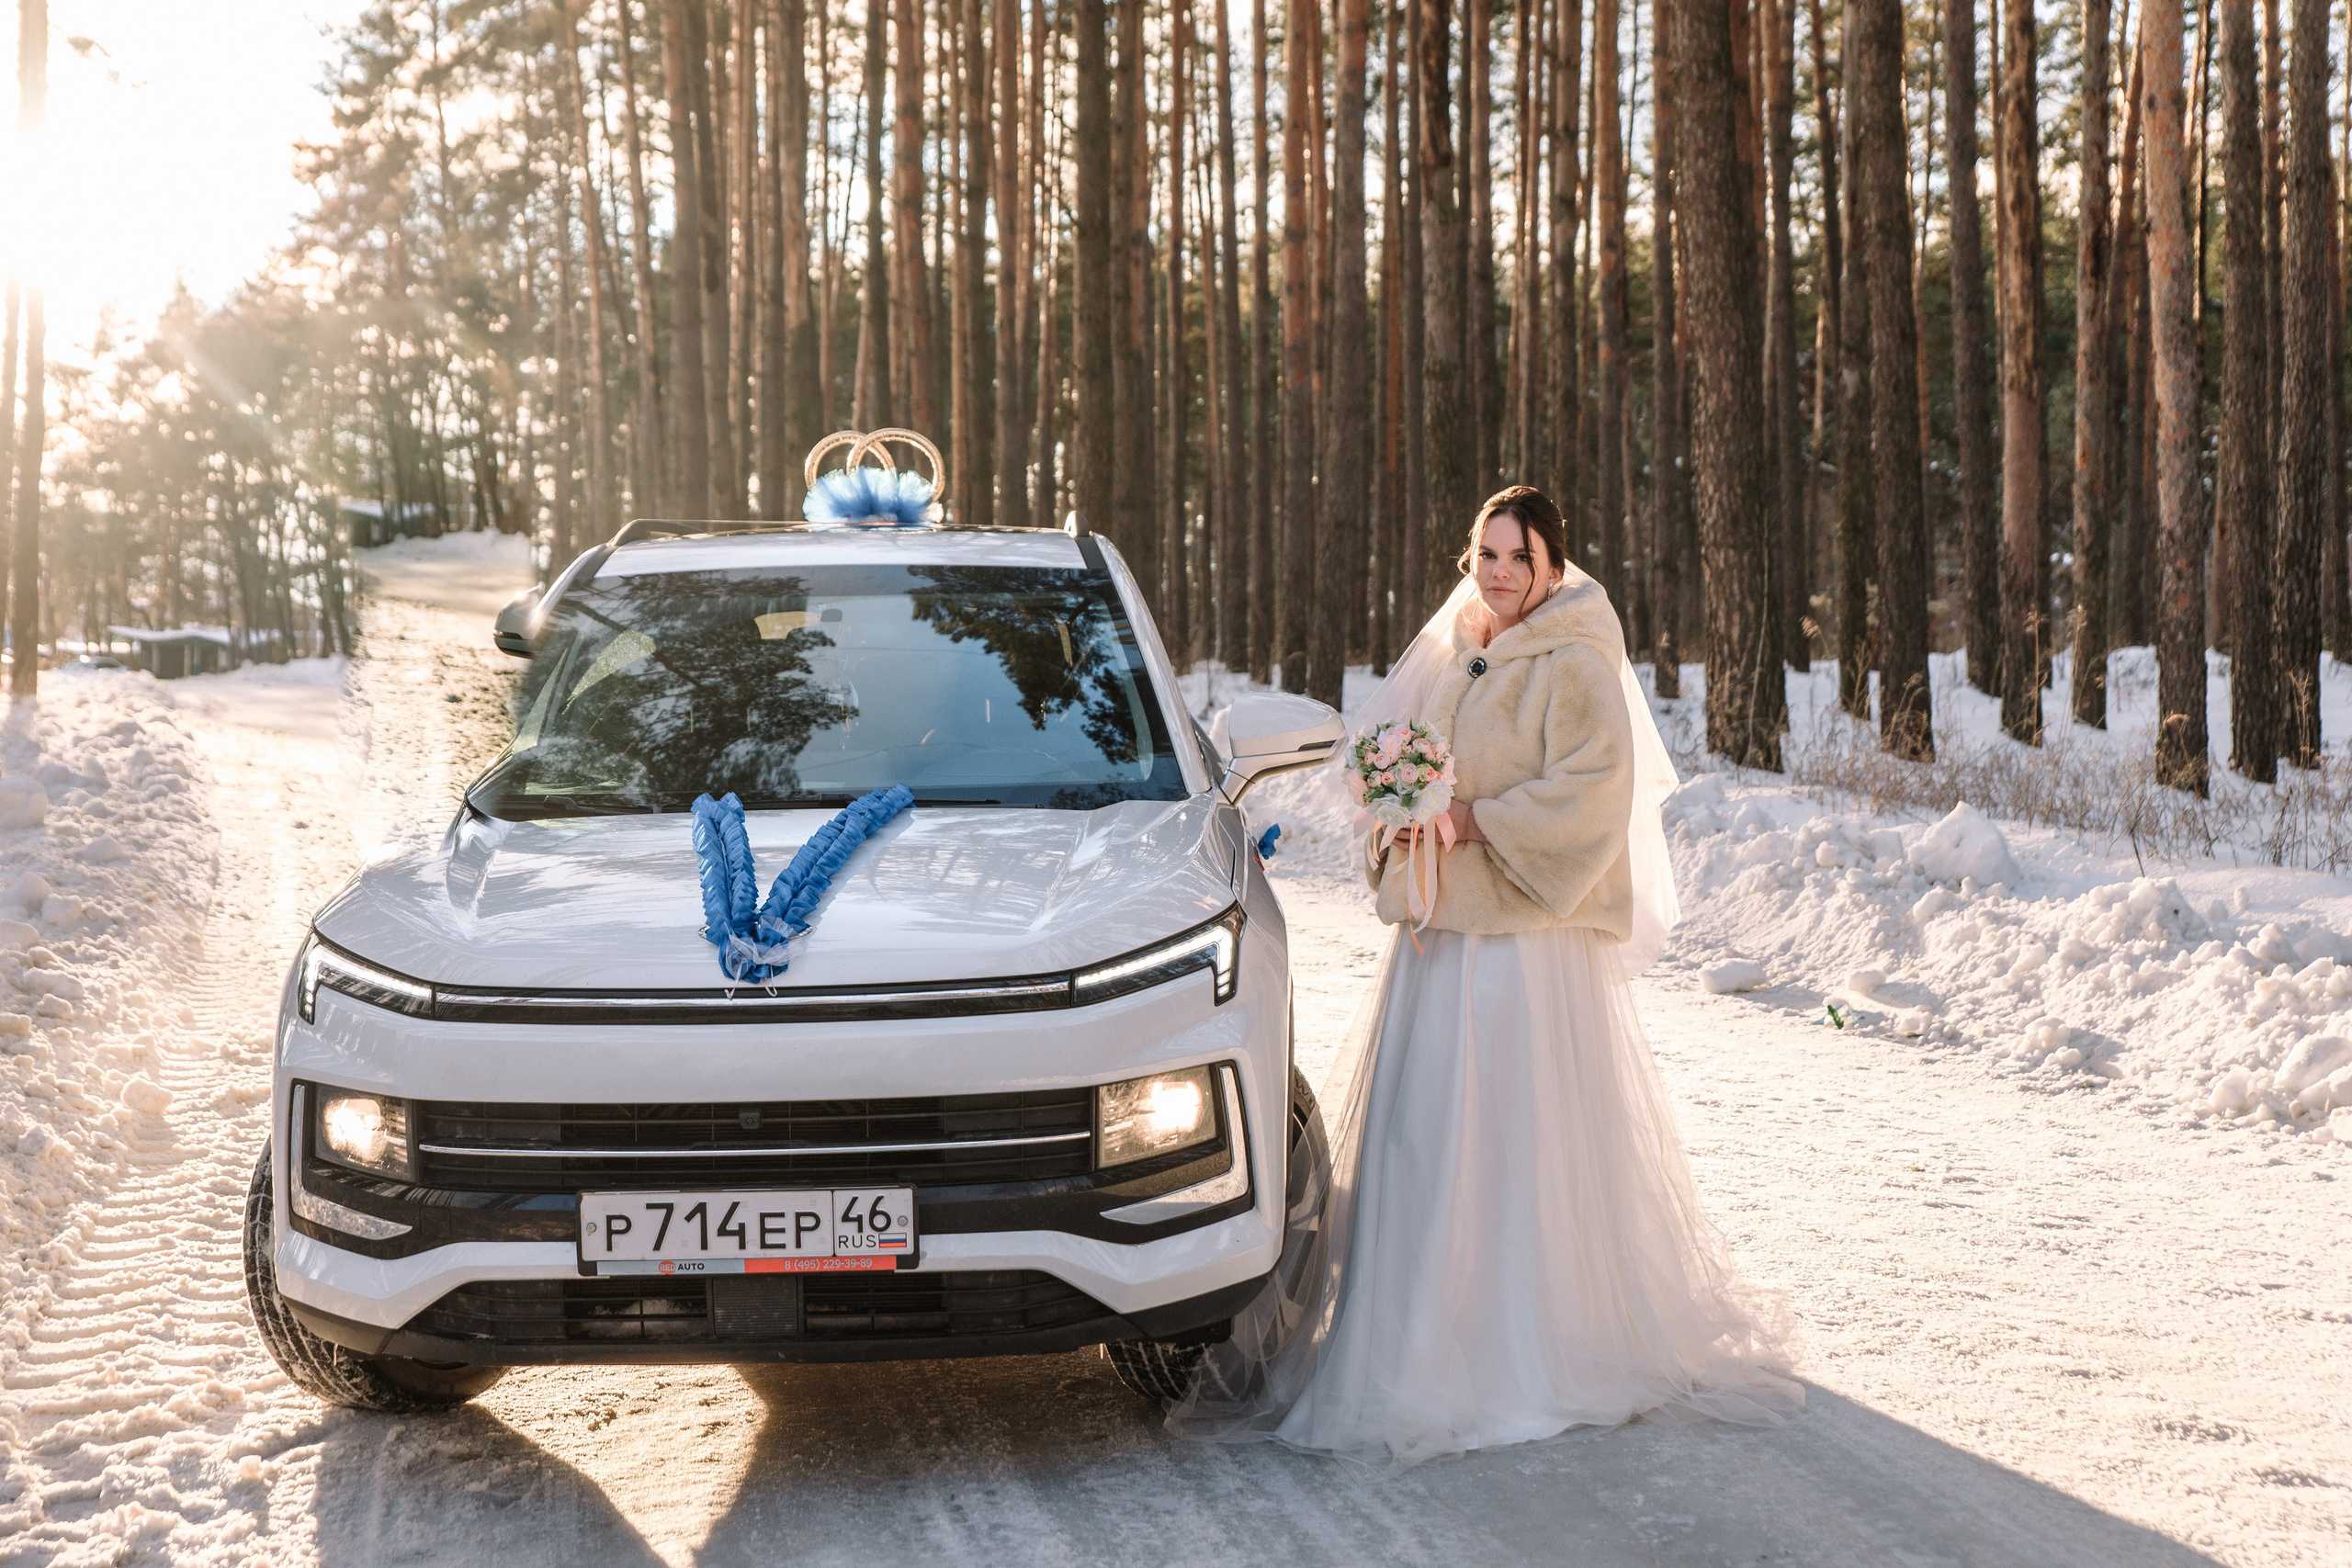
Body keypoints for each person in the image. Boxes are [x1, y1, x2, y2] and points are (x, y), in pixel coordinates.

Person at [1170, 485, 1803, 1467]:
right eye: (1487, 553)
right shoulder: (1458, 645)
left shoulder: (1577, 656)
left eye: (1520, 556)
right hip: (1442, 935)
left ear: (1554, 566)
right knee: (1426, 1134)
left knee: (1510, 1135)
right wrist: (1400, 810)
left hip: (1521, 944)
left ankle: (1520, 1350)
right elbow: (1394, 758)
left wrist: (1469, 822)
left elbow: (1592, 792)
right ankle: (1411, 1345)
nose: (1500, 572)